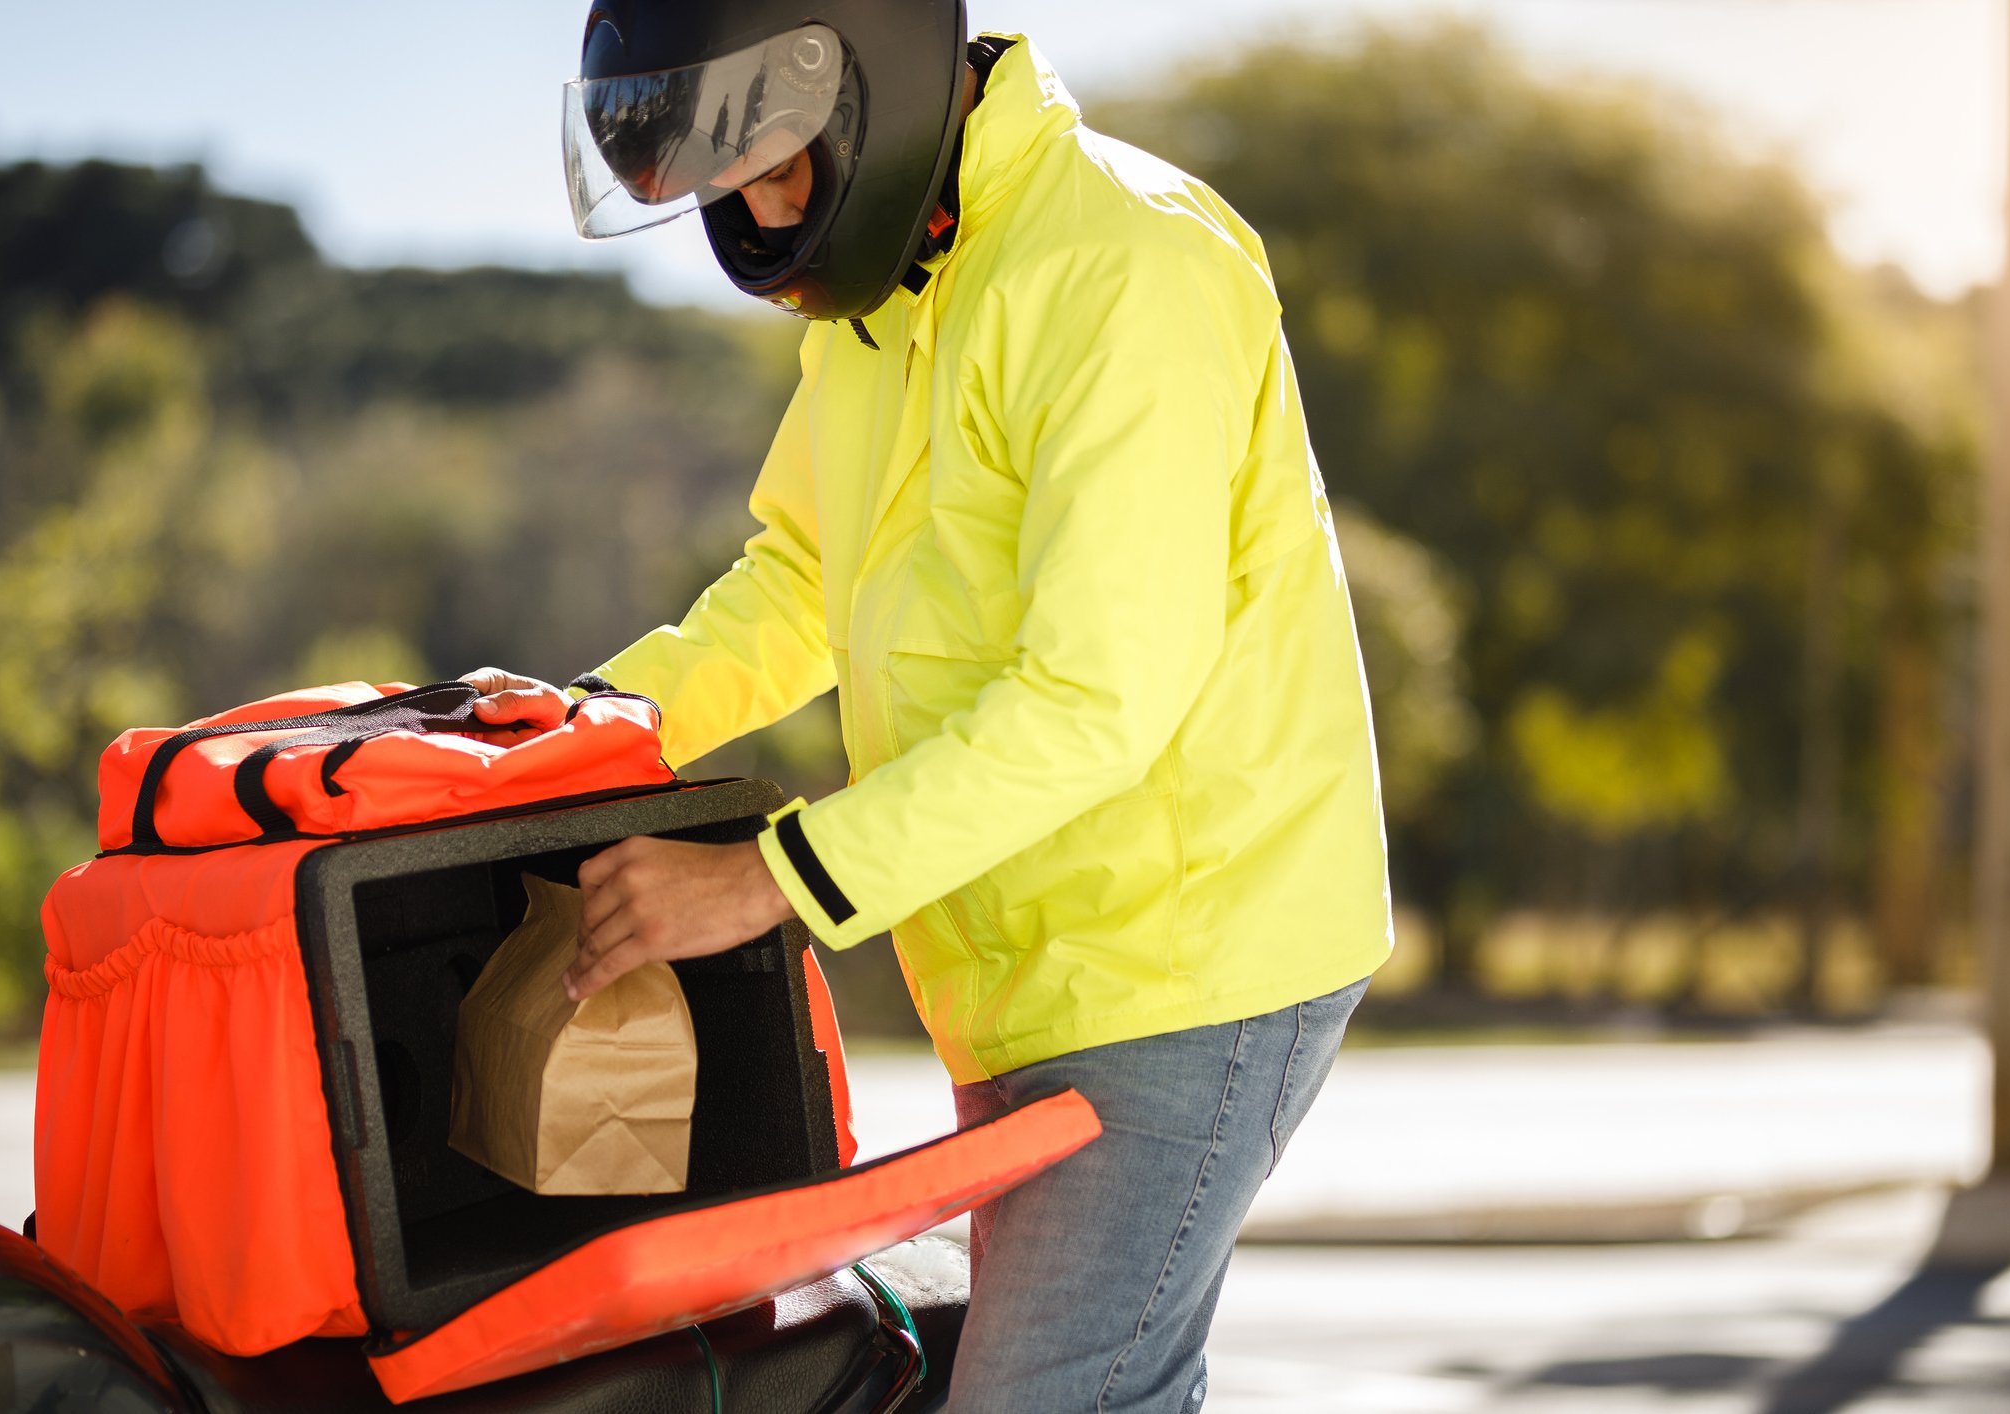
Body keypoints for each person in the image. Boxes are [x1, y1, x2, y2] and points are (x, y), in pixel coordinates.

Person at [467, 3, 1391, 1408]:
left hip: (1193, 949)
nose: (759, 212)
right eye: (722, 186)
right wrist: (577, 725)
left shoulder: (1120, 264)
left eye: (768, 164)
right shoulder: (891, 287)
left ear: (867, 81)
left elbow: (1098, 696)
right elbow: (799, 584)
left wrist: (766, 878)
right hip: (1031, 961)